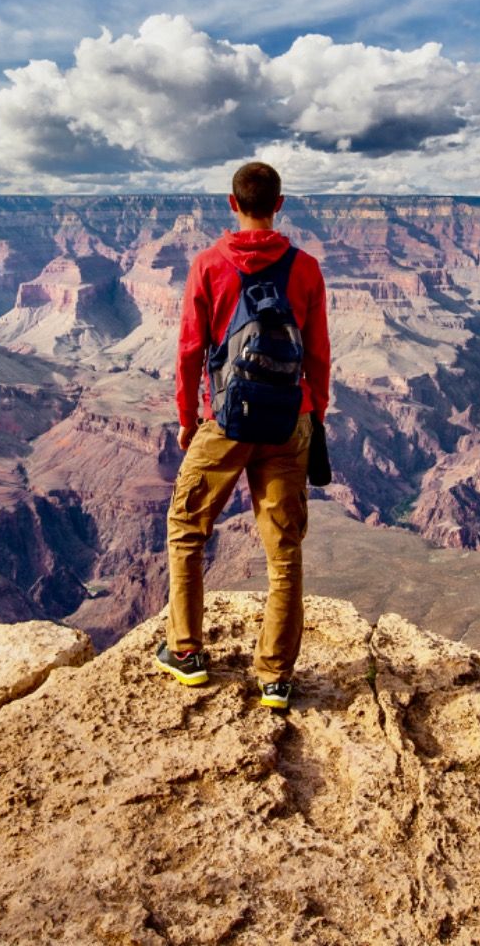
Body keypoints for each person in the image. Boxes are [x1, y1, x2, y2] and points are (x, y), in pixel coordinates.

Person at [156, 161, 330, 712]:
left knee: (187, 528)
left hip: (226, 422)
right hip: (288, 422)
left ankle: (187, 652)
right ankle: (275, 677)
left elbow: (189, 349)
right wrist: (313, 413)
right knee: (284, 552)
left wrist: (188, 417)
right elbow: (320, 354)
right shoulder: (306, 268)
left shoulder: (207, 265)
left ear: (232, 204)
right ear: (280, 203)